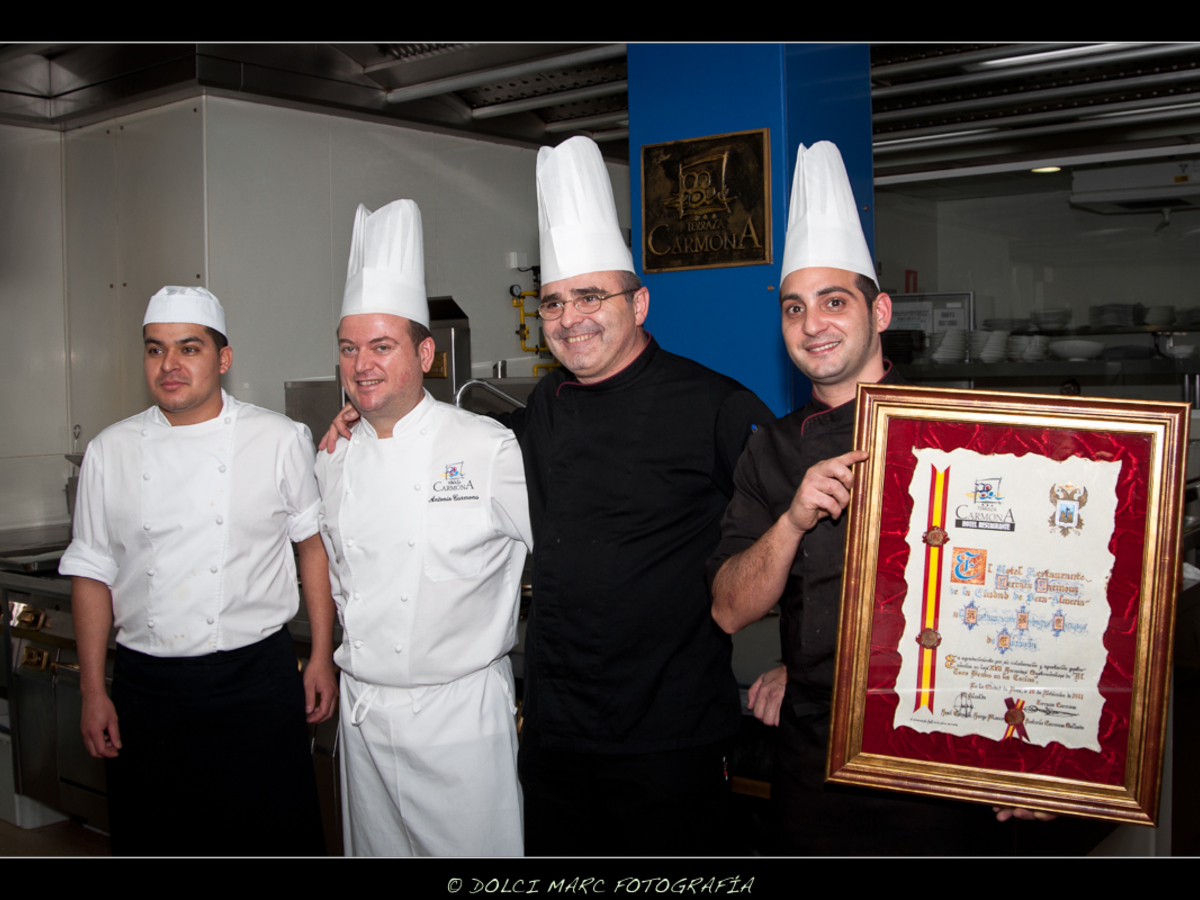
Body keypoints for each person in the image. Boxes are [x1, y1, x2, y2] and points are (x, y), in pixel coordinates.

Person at [323, 137, 774, 856]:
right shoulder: (546, 410)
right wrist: (369, 412)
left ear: (640, 302)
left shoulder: (713, 404)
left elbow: (810, 527)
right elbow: (449, 446)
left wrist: (801, 668)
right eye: (555, 302)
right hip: (561, 733)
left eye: (592, 296)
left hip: (669, 734)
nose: (570, 318)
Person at [707, 142, 1046, 855]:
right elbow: (730, 607)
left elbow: (1033, 593)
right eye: (794, 308)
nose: (812, 324)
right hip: (819, 751)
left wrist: (1035, 745)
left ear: (880, 309)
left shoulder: (966, 430)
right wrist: (794, 521)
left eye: (834, 302)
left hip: (947, 742)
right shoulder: (769, 448)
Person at [60, 285, 335, 857]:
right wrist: (93, 688)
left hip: (256, 678)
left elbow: (313, 549)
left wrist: (322, 657)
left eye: (189, 348)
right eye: (155, 349)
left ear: (223, 358)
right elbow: (91, 572)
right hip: (146, 687)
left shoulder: (278, 438)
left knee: (270, 838)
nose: (170, 366)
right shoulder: (110, 452)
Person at [316, 199, 532, 857]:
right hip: (364, 717)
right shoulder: (332, 457)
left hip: (460, 722)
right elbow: (331, 569)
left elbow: (564, 555)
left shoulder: (489, 448)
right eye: (350, 348)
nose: (363, 365)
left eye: (383, 346)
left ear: (427, 352)